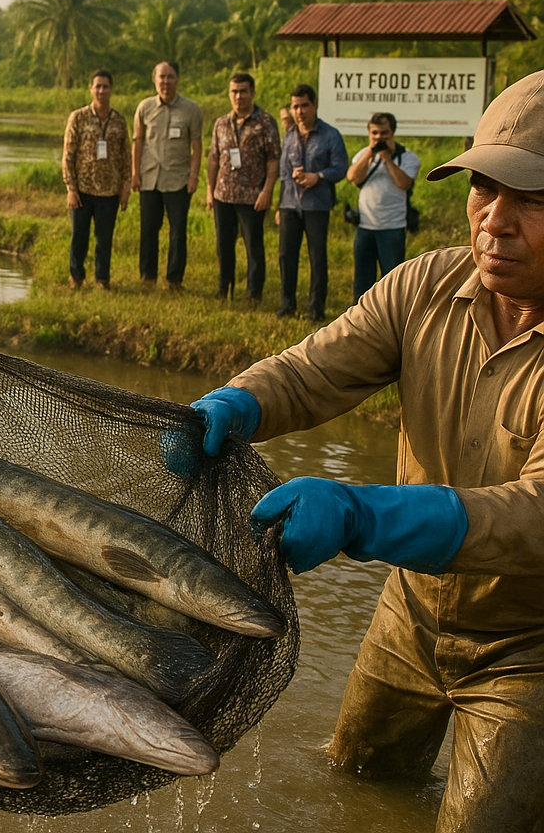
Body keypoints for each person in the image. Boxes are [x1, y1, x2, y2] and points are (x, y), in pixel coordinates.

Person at [191, 69, 544, 833]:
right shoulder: (425, 286)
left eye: (532, 200)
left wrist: (361, 514)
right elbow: (318, 367)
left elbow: (535, 515)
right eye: (485, 189)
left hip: (528, 649)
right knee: (356, 787)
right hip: (411, 615)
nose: (495, 221)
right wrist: (238, 401)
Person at [206, 72, 280, 302]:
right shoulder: (221, 123)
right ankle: (223, 288)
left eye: (243, 91)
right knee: (224, 246)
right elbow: (213, 158)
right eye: (234, 92)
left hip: (252, 197)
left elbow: (273, 159)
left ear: (252, 93)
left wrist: (267, 191)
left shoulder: (265, 122)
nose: (239, 96)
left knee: (254, 247)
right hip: (224, 195)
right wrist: (210, 190)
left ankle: (254, 292)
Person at [276, 83, 347, 321]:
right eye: (295, 107)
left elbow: (340, 168)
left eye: (304, 105)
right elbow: (284, 173)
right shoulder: (289, 136)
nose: (300, 111)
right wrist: (279, 205)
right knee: (286, 255)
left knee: (317, 256)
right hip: (289, 204)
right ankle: (288, 304)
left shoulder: (330, 135)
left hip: (317, 205)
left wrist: (319, 176)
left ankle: (316, 308)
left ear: (314, 105)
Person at [132, 61, 203, 290]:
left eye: (170, 77)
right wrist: (135, 172)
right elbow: (138, 141)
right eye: (161, 77)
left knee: (178, 232)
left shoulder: (191, 109)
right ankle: (148, 276)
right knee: (148, 229)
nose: (165, 82)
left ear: (178, 79)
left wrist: (194, 175)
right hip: (149, 178)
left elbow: (197, 145)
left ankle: (174, 279)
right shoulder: (145, 107)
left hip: (178, 179)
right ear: (154, 80)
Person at [62, 69, 131, 290]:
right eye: (97, 86)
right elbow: (68, 155)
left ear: (111, 90)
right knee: (79, 236)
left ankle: (102, 279)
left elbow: (125, 157)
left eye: (105, 87)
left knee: (104, 239)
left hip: (109, 191)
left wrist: (125, 186)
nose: (101, 91)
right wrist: (71, 188)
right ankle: (77, 277)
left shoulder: (119, 120)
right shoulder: (78, 117)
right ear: (91, 89)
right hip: (82, 189)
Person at [346, 112, 420, 302]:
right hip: (365, 228)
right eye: (375, 134)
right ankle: (361, 319)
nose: (379, 138)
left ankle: (390, 319)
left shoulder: (407, 157)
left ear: (393, 132)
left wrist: (387, 159)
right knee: (362, 281)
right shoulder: (364, 155)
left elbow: (404, 183)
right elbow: (353, 177)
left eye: (384, 133)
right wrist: (371, 153)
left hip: (392, 229)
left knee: (392, 281)